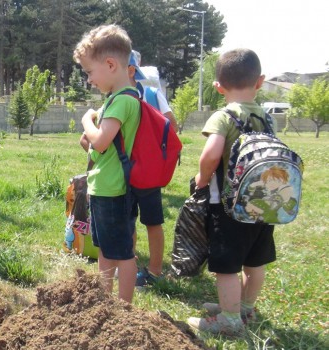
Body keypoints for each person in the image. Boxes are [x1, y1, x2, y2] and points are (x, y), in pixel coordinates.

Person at [187, 48, 274, 335]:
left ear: (218, 87)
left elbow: (211, 155)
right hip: (264, 203)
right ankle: (244, 307)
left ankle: (229, 318)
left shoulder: (224, 116)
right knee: (255, 260)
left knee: (226, 265)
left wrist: (202, 178)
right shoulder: (266, 117)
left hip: (229, 206)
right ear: (259, 82)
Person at [73, 24, 140, 303]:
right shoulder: (117, 99)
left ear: (111, 64)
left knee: (123, 253)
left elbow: (101, 141)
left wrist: (87, 120)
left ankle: (123, 309)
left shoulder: (122, 101)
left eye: (90, 72)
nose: (89, 80)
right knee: (105, 248)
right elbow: (103, 146)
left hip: (114, 190)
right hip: (105, 187)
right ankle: (104, 300)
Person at [126, 50, 179, 287]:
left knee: (149, 221)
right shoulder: (137, 93)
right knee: (134, 220)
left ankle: (154, 270)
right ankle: (134, 265)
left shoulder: (151, 93)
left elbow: (170, 125)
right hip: (136, 169)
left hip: (140, 169)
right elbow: (171, 125)